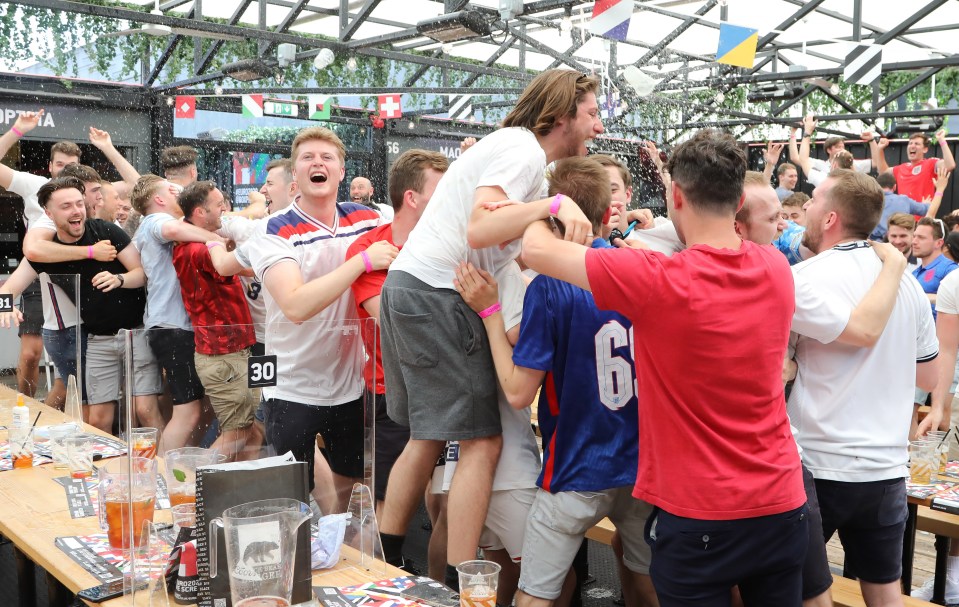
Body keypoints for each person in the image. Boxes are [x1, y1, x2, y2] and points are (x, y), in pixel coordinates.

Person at [522, 128, 807, 606]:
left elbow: (535, 250)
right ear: (738, 199)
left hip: (700, 514)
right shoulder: (774, 266)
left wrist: (551, 206)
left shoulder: (658, 280)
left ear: (676, 194)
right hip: (781, 501)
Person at [377, 69, 601, 587]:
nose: (599, 126)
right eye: (591, 113)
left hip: (410, 285)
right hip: (437, 291)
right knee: (483, 441)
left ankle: (386, 559)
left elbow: (507, 251)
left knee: (428, 436)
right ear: (563, 113)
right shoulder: (523, 152)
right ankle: (462, 581)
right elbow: (481, 225)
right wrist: (555, 205)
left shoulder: (519, 155)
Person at [457, 156, 656, 607]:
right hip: (643, 464)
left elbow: (517, 391)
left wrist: (490, 311)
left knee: (537, 594)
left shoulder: (548, 285)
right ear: (609, 215)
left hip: (578, 467)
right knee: (646, 582)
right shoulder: (644, 268)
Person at [790, 169, 939, 606]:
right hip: (886, 469)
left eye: (814, 201)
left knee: (806, 595)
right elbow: (929, 379)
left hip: (817, 464)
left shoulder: (805, 278)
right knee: (885, 593)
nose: (808, 211)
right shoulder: (907, 284)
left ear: (831, 217)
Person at [246, 127, 397, 511]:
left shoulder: (367, 218)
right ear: (294, 175)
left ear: (342, 172)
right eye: (308, 158)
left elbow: (420, 214)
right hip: (291, 384)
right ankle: (303, 560)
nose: (318, 163)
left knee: (351, 481)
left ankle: (338, 547)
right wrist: (361, 262)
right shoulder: (273, 228)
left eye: (327, 158)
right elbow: (295, 305)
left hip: (348, 381)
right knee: (293, 490)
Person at [0, 177, 160, 434]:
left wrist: (118, 279)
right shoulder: (46, 252)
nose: (76, 211)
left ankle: (163, 468)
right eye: (66, 206)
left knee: (144, 411)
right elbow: (7, 289)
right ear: (48, 213)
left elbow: (142, 274)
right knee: (97, 420)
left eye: (79, 204)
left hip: (135, 331)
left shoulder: (106, 231)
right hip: (98, 339)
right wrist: (5, 306)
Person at [172, 181, 263, 461]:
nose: (225, 208)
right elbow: (243, 266)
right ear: (200, 212)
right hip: (224, 355)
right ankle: (194, 486)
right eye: (219, 204)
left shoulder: (196, 240)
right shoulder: (199, 249)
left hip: (230, 352)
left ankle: (237, 488)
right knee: (237, 434)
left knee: (252, 433)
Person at [131, 174, 222, 451]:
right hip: (171, 327)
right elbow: (171, 232)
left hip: (178, 326)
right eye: (172, 192)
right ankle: (161, 474)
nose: (179, 195)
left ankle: (184, 465)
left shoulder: (169, 223)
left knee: (201, 406)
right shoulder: (154, 221)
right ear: (159, 199)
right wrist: (216, 241)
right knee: (188, 410)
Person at [877, 130, 956, 202]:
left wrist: (941, 140)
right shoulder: (901, 168)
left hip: (924, 216)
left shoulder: (930, 163)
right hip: (904, 217)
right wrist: (880, 149)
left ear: (925, 149)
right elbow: (883, 173)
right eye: (910, 143)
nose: (912, 146)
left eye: (917, 144)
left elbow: (950, 165)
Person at [870, 170, 948, 241]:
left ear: (877, 187)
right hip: (903, 245)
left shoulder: (868, 202)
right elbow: (928, 211)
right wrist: (927, 203)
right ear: (894, 187)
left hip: (875, 246)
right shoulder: (903, 200)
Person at [912, 216, 958, 315]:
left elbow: (956, 299)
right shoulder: (914, 273)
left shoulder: (950, 269)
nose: (914, 242)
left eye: (921, 237)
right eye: (914, 236)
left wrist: (925, 297)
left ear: (939, 243)